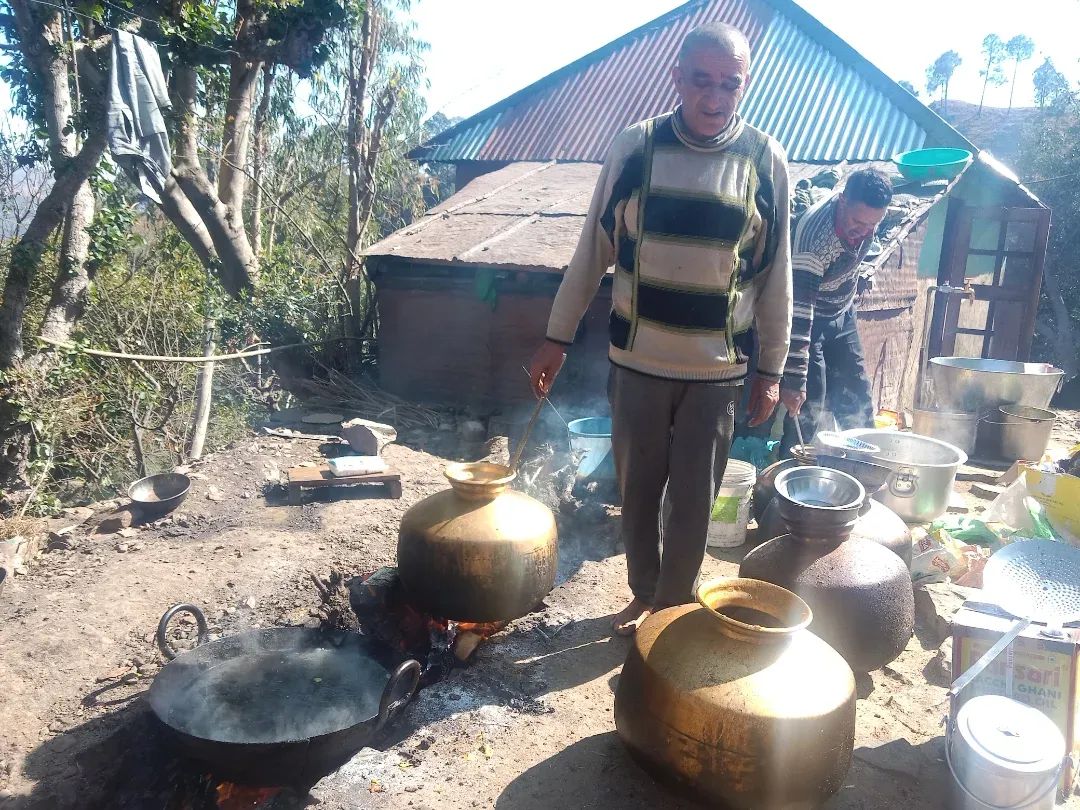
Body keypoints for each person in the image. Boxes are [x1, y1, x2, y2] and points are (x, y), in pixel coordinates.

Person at [529, 22, 792, 636]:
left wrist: (773, 368)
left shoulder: (763, 160)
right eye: (702, 81)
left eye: (730, 84)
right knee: (639, 491)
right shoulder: (636, 148)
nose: (715, 97)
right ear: (676, 79)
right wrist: (555, 337)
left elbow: (776, 275)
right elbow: (591, 251)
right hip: (638, 362)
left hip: (717, 372)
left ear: (744, 85)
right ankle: (641, 592)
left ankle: (671, 607)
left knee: (694, 501)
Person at [778, 169, 893, 455]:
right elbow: (799, 315)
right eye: (857, 222)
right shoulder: (814, 240)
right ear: (842, 201)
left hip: (842, 309)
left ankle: (865, 467)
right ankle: (789, 474)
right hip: (810, 316)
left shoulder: (867, 221)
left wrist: (865, 227)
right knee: (809, 402)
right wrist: (793, 381)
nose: (864, 231)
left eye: (872, 224)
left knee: (857, 395)